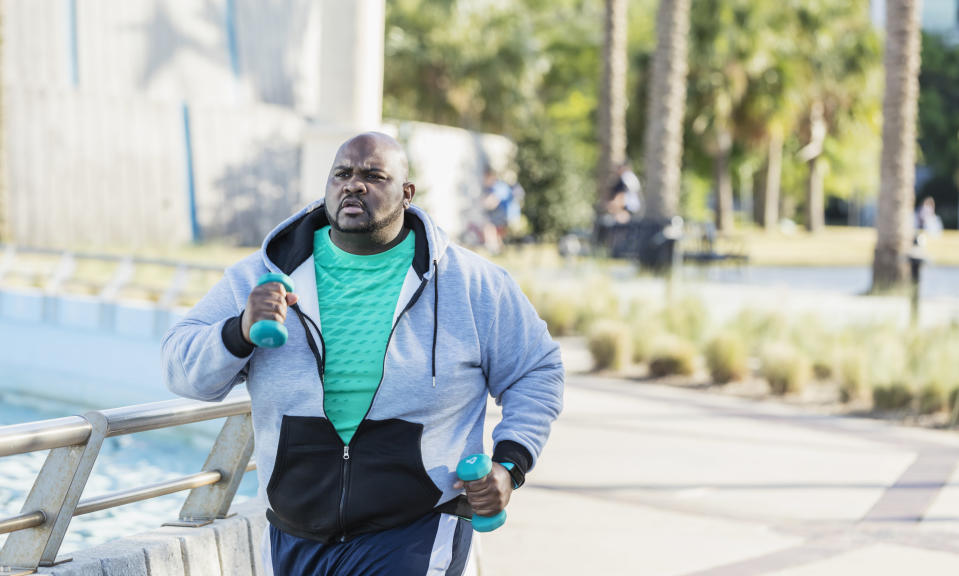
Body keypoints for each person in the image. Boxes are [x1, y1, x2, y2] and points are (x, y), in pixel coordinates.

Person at [162, 132, 564, 575]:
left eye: (373, 175)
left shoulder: (471, 284)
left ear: (406, 194)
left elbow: (536, 370)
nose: (354, 185)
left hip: (416, 530)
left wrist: (510, 464)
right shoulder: (260, 277)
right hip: (294, 533)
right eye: (342, 174)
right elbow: (181, 372)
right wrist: (238, 330)